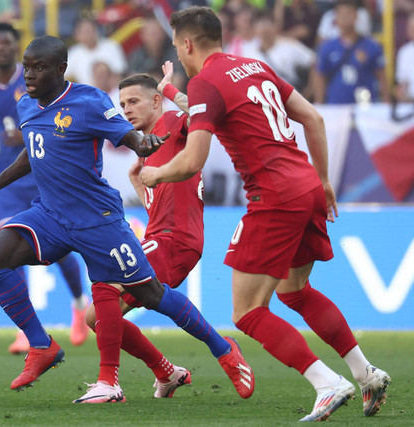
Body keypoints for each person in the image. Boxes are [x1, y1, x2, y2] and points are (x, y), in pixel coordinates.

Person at [0, 35, 251, 404]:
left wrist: (144, 145)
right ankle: (42, 346)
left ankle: (222, 348)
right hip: (49, 213)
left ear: (60, 69)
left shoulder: (88, 100)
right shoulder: (27, 105)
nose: (29, 74)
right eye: (27, 66)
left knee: (150, 293)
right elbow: (34, 152)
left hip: (97, 219)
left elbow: (127, 136)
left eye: (39, 67)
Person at [140, 6, 391, 421]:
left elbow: (191, 161)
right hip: (307, 184)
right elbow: (311, 117)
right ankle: (366, 374)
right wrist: (324, 179)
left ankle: (327, 384)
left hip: (274, 196)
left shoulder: (205, 81)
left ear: (186, 44)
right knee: (294, 291)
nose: (180, 57)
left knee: (248, 312)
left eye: (177, 47)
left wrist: (155, 174)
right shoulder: (254, 66)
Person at [82, 69, 255, 401]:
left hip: (175, 237)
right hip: (165, 235)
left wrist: (173, 90)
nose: (127, 109)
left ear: (156, 102)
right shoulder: (147, 147)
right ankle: (166, 372)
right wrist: (139, 183)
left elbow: (204, 115)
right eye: (122, 104)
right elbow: (166, 200)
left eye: (134, 101)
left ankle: (223, 349)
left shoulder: (173, 122)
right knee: (98, 316)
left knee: (106, 279)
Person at [0, 22, 90, 353]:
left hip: (42, 175)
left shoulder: (34, 80)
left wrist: (26, 136)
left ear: (15, 46)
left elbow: (58, 118)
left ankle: (79, 305)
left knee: (61, 248)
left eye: (6, 42)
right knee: (7, 246)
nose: (0, 48)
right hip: (8, 182)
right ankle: (27, 329)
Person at [313, 0, 387, 104]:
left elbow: (381, 75)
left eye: (348, 13)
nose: (345, 18)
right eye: (341, 14)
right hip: (336, 105)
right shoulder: (328, 47)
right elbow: (320, 76)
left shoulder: (371, 46)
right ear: (336, 18)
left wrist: (387, 103)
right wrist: (319, 103)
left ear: (356, 16)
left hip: (365, 105)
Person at [395, 12, 414, 102]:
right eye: (410, 27)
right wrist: (401, 95)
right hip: (410, 105)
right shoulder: (404, 52)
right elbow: (402, 84)